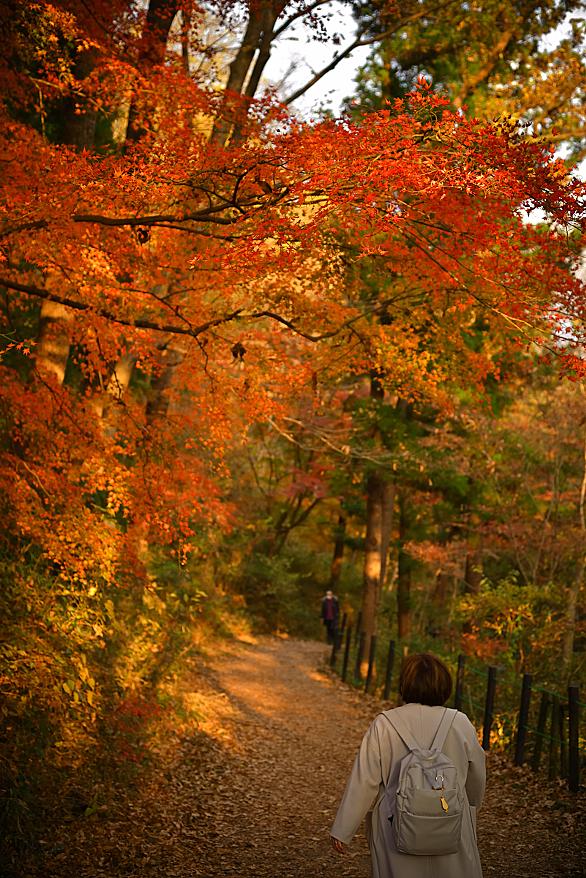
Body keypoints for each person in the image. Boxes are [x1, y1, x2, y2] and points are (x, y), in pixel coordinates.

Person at [330, 653, 486, 878]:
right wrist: (470, 808)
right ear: (444, 685)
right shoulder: (460, 722)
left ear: (405, 685)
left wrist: (343, 830)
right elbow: (477, 775)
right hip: (449, 816)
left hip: (396, 824)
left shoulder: (384, 724)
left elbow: (364, 781)